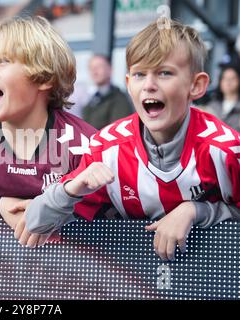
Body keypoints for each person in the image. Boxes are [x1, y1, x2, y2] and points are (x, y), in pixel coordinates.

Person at [25, 18, 240, 261]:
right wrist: (71, 189)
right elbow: (35, 223)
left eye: (164, 73)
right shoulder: (105, 148)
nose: (149, 85)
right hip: (132, 280)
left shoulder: (226, 149)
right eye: (139, 74)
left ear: (196, 85)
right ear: (128, 84)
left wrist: (195, 210)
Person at [0, 16, 97, 247]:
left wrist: (55, 209)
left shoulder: (85, 145)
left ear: (44, 78)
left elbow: (112, 220)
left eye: (3, 61)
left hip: (68, 274)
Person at [82, 55, 133, 129]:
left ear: (110, 70)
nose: (94, 71)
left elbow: (118, 130)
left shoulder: (119, 99)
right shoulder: (90, 99)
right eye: (91, 68)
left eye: (98, 67)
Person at [204, 65, 240, 131]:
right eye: (225, 78)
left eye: (232, 78)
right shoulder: (211, 106)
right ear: (220, 82)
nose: (228, 82)